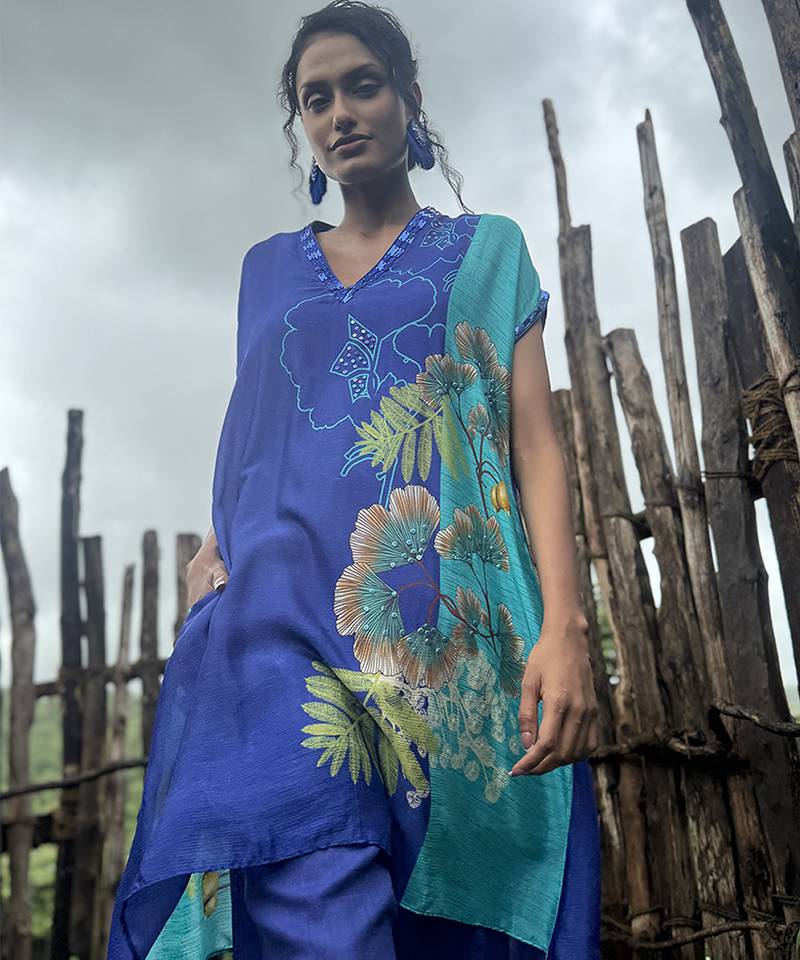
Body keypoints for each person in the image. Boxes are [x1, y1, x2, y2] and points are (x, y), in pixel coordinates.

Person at [107, 2, 602, 957]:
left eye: (362, 86)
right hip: (276, 624)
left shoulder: (489, 251)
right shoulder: (264, 271)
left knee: (439, 923)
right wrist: (208, 551)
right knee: (316, 910)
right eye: (316, 99)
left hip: (439, 634)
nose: (340, 113)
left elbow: (535, 445)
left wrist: (564, 626)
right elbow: (260, 433)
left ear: (408, 97)